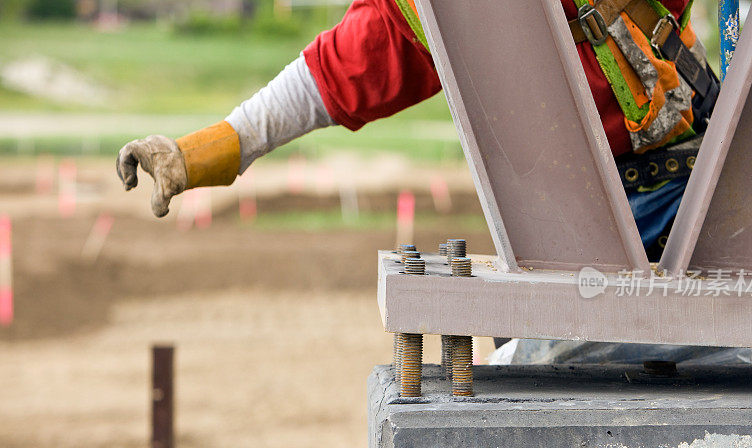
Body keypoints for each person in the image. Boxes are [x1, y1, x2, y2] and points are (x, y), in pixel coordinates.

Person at [117, 0, 719, 262]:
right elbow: (329, 76)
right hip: (576, 225)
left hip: (686, 194)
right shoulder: (436, 9)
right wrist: (196, 155)